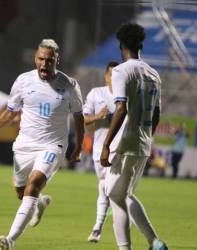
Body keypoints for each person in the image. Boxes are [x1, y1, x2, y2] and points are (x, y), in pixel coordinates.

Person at [0, 39, 84, 250]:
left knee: (34, 182)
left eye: (49, 60)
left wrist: (78, 147)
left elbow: (79, 117)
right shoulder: (23, 81)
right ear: (35, 59)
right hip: (24, 145)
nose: (44, 64)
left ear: (57, 60)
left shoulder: (69, 85)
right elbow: (11, 111)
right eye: (41, 59)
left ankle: (10, 240)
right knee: (21, 191)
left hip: (53, 146)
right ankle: (40, 202)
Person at [100, 23, 168, 250]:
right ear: (140, 45)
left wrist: (106, 144)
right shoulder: (153, 74)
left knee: (114, 196)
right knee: (124, 194)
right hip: (143, 142)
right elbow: (156, 114)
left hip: (125, 142)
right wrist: (147, 138)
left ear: (121, 46)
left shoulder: (121, 71)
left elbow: (121, 108)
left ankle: (127, 247)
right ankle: (154, 243)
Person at [84, 61, 127, 242]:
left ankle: (97, 228)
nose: (113, 79)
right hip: (98, 151)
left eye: (117, 76)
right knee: (106, 189)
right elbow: (84, 120)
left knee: (104, 189)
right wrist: (98, 116)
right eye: (111, 75)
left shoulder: (126, 98)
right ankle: (119, 213)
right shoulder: (96, 93)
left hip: (118, 150)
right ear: (106, 76)